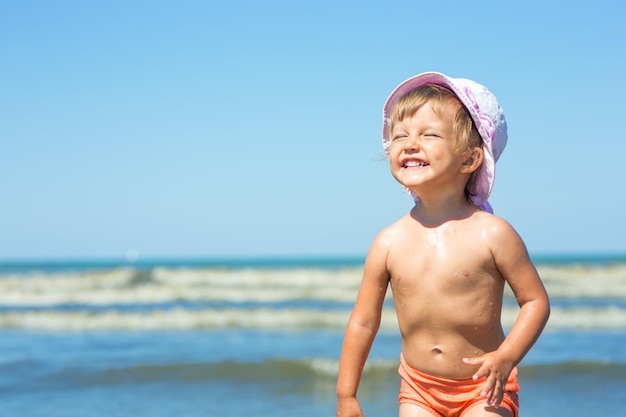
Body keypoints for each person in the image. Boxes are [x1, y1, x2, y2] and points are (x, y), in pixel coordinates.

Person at [336, 72, 550, 417]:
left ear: (469, 159)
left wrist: (507, 355)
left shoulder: (492, 234)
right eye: (400, 135)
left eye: (428, 134)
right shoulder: (388, 242)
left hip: (485, 386)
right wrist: (346, 394)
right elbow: (363, 321)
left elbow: (536, 301)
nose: (409, 143)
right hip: (419, 388)